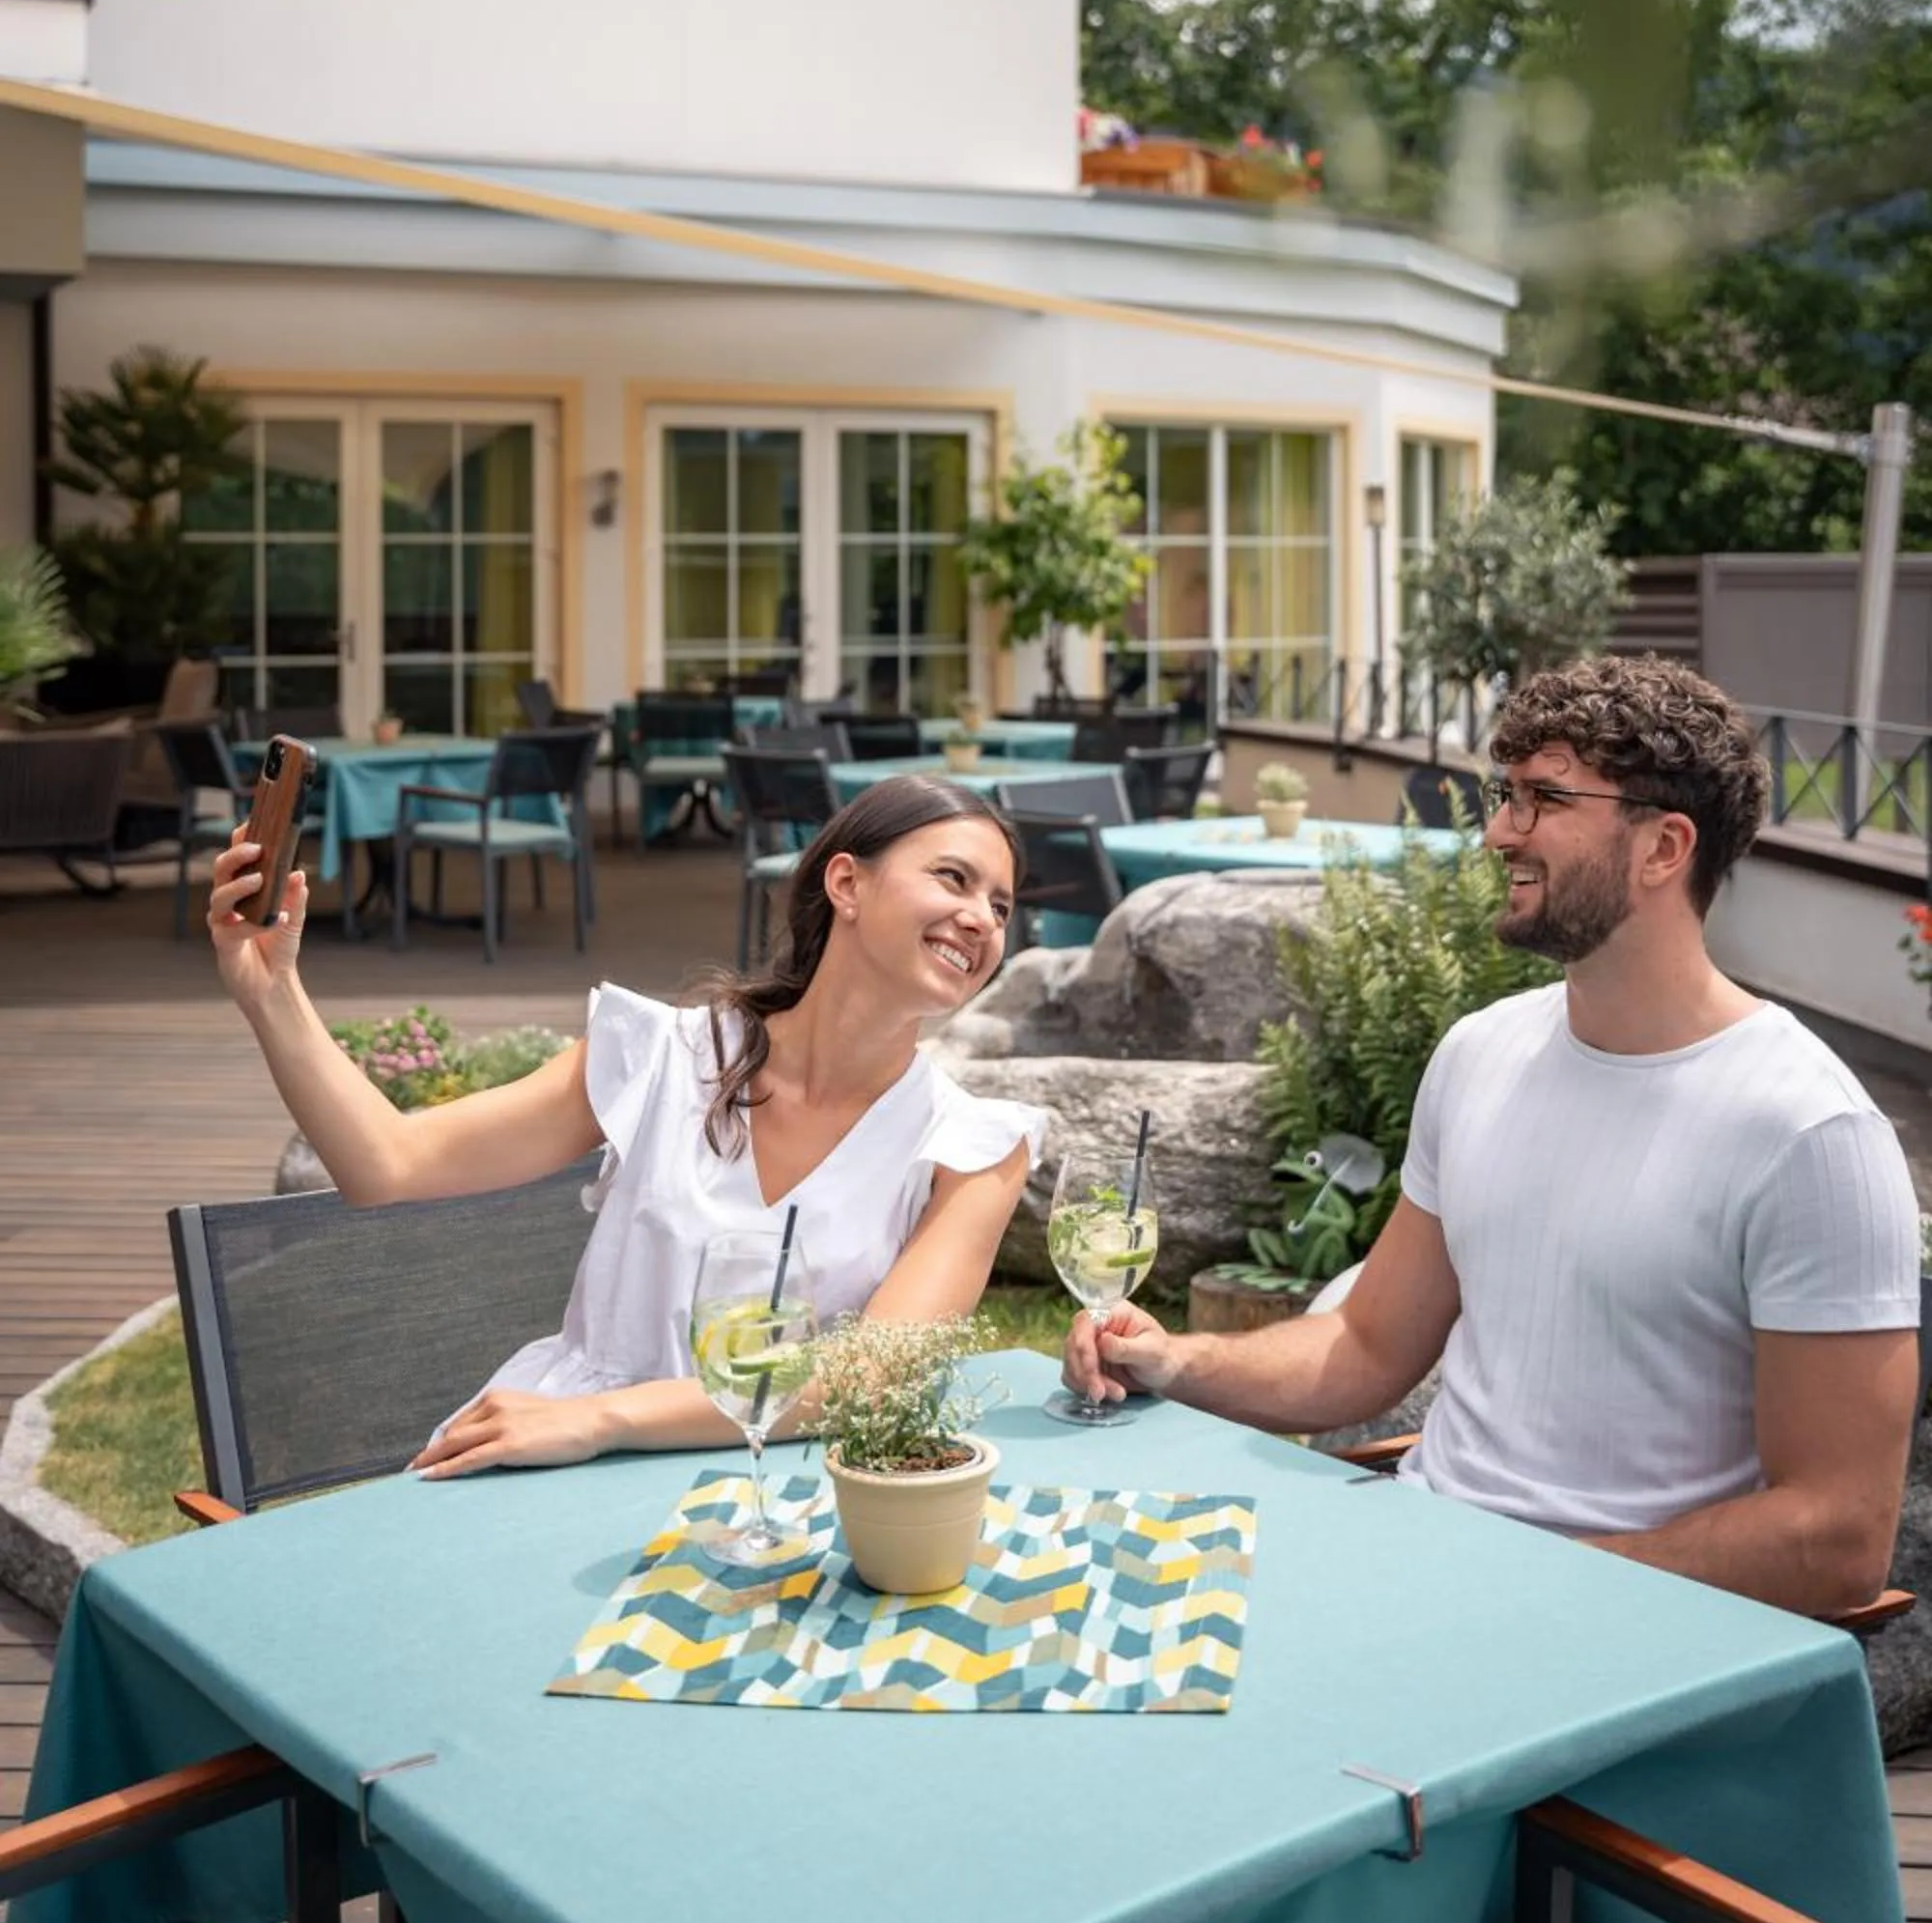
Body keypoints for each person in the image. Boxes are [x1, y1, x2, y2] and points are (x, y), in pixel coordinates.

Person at [1065, 654, 1921, 1617]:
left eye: (1539, 799)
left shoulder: (1807, 1134)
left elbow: (1837, 1534)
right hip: (1425, 1563)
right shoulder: (1480, 1053)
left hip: (1616, 1633)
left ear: (1662, 847)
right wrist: (1174, 1362)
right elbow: (1363, 1341)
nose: (1495, 833)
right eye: (1501, 795)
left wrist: (1533, 1585)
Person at [209, 773, 1044, 1479]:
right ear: (847, 884)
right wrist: (270, 994)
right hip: (557, 1458)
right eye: (954, 879)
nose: (982, 919)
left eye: (1002, 907)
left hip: (774, 1488)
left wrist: (611, 1418)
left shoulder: (974, 1151)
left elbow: (868, 1377)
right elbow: (388, 1163)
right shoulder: (659, 1057)